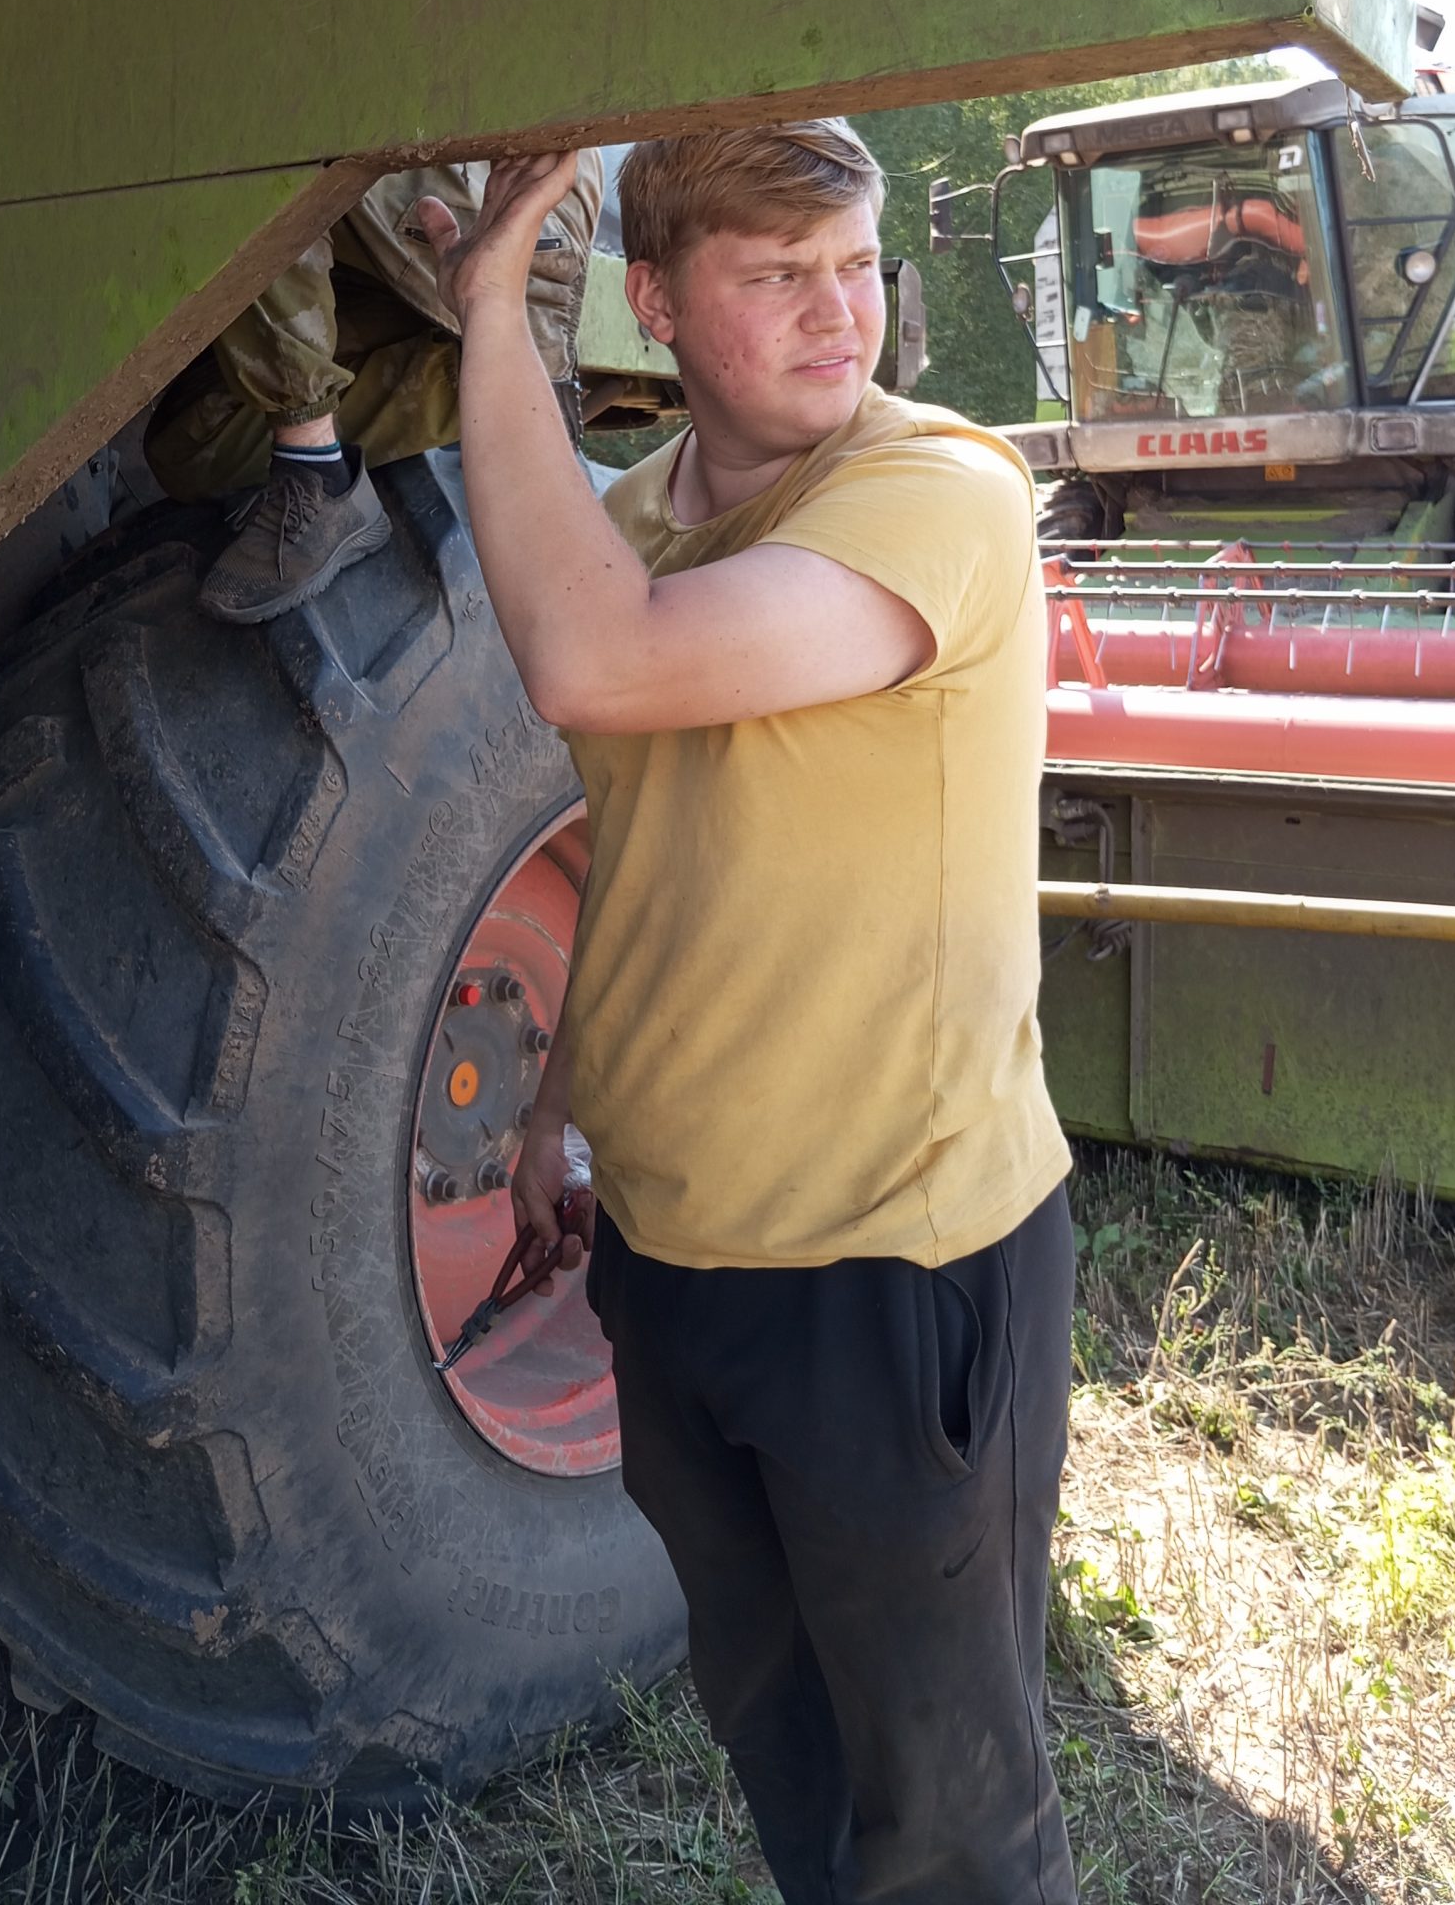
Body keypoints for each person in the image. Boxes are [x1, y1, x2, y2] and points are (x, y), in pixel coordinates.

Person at [417, 124, 1076, 1905]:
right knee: (784, 1735)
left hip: (894, 1267)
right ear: (654, 302)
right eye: (775, 276)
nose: (836, 312)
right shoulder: (630, 526)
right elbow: (653, 856)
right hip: (678, 1255)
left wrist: (487, 306)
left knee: (946, 1814)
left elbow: (595, 660)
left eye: (854, 265)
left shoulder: (941, 491)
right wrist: (560, 1105)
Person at [146, 156, 601, 623]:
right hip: (419, 212)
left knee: (252, 155)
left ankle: (318, 469)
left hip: (493, 276)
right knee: (183, 447)